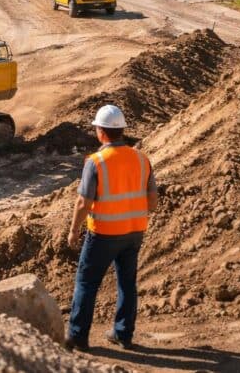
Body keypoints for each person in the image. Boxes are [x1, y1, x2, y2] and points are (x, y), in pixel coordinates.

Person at [65, 105, 158, 352]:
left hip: (104, 233)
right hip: (134, 231)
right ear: (122, 130)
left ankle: (77, 337)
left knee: (86, 283)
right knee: (127, 283)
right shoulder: (142, 158)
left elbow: (83, 202)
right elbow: (153, 201)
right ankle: (123, 334)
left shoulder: (96, 162)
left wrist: (74, 230)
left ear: (101, 132)